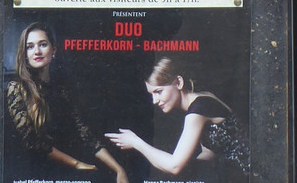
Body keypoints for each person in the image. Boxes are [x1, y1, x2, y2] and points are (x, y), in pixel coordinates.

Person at [5, 22, 129, 183]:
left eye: (43, 44)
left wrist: (119, 169)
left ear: (53, 50)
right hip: (29, 173)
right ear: (24, 53)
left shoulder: (61, 91)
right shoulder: (16, 88)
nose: (36, 51)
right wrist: (77, 164)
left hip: (60, 169)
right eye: (30, 47)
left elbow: (86, 135)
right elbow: (34, 143)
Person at [104, 57, 250, 182]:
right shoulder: (203, 99)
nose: (155, 101)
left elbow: (174, 166)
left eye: (159, 92)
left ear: (178, 82)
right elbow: (209, 153)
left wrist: (136, 142)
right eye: (152, 94)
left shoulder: (197, 111)